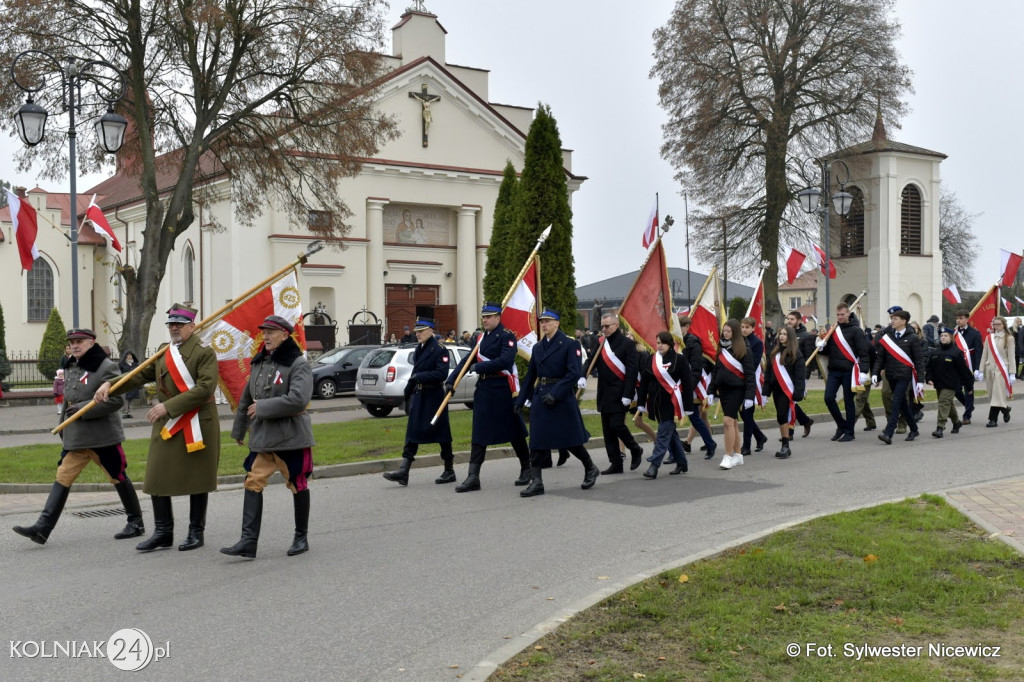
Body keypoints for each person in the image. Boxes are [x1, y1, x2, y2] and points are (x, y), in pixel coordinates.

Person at [95, 304, 220, 552]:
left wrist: (168, 406)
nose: (174, 328)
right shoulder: (165, 352)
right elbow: (139, 375)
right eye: (171, 324)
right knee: (155, 475)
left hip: (197, 420)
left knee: (198, 477)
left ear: (192, 326)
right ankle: (163, 531)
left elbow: (205, 388)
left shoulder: (204, 352)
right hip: (168, 422)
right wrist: (110, 385)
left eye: (179, 324)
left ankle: (196, 532)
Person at [13, 328, 144, 545]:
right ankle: (42, 529)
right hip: (76, 438)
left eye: (80, 341)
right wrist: (62, 426)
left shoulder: (105, 366)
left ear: (91, 343)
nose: (75, 345)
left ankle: (136, 522)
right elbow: (68, 400)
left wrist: (85, 408)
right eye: (72, 342)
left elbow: (117, 401)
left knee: (118, 476)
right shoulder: (72, 365)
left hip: (102, 438)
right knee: (62, 477)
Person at [222, 315, 314, 559]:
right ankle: (248, 542)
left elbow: (299, 399)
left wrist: (262, 407)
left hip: (291, 437)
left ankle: (301, 537)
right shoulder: (260, 362)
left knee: (297, 485)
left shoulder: (298, 363)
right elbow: (246, 398)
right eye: (264, 332)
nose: (266, 336)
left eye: (271, 332)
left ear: (285, 335)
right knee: (252, 482)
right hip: (263, 437)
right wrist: (240, 429)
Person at [446, 302, 532, 492]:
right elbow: (466, 361)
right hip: (484, 389)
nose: (484, 320)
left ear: (498, 317)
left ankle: (527, 467)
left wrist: (480, 367)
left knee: (514, 431)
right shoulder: (481, 338)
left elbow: (506, 360)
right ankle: (473, 476)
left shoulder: (507, 336)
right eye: (483, 317)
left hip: (502, 389)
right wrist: (452, 380)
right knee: (479, 433)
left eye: (488, 316)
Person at [514, 309, 599, 496]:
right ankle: (537, 482)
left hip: (560, 398)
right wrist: (521, 400)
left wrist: (556, 393)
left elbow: (573, 373)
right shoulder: (537, 347)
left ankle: (590, 467)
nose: (544, 324)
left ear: (557, 323)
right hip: (541, 397)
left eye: (548, 321)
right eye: (542, 321)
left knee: (569, 440)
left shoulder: (569, 344)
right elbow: (530, 377)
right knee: (536, 441)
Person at [383, 317, 456, 486]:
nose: (418, 334)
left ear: (431, 331)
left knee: (441, 433)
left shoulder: (440, 350)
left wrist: (419, 377)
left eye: (421, 331)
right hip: (420, 395)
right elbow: (415, 373)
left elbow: (441, 374)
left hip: (434, 396)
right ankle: (404, 471)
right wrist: (407, 392)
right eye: (417, 331)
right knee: (412, 432)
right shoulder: (419, 349)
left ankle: (449, 470)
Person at [636, 330, 694, 478]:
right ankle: (682, 462)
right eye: (658, 343)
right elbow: (644, 383)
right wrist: (641, 403)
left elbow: (687, 384)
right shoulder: (651, 359)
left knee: (662, 434)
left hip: (672, 403)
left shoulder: (679, 360)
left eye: (663, 343)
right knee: (671, 434)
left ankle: (654, 465)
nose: (660, 346)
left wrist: (688, 406)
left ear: (670, 344)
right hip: (656, 403)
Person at [594, 312, 645, 474]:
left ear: (616, 325)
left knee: (617, 425)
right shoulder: (601, 343)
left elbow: (631, 371)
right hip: (604, 391)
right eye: (602, 326)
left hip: (620, 392)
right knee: (607, 430)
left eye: (607, 326)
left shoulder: (627, 344)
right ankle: (616, 463)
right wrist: (582, 375)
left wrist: (628, 394)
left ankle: (635, 448)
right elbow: (591, 361)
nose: (604, 329)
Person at [815, 303, 869, 442]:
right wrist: (821, 347)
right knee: (828, 398)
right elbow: (828, 351)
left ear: (848, 314)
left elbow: (864, 352)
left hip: (849, 371)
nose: (839, 317)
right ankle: (841, 425)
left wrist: (864, 371)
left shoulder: (856, 331)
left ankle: (849, 432)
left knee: (848, 402)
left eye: (842, 314)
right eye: (838, 315)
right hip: (834, 370)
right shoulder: (834, 330)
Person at [708, 319, 756, 470]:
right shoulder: (721, 348)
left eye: (729, 331)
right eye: (724, 331)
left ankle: (727, 455)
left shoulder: (744, 349)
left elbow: (750, 375)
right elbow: (716, 371)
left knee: (727, 421)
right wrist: (711, 390)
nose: (726, 334)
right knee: (733, 422)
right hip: (723, 389)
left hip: (737, 389)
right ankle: (738, 455)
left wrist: (749, 396)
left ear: (735, 333)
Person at [872, 309, 925, 444]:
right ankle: (914, 428)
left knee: (896, 401)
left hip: (904, 376)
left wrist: (920, 380)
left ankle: (889, 433)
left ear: (903, 321)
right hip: (891, 375)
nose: (892, 321)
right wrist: (875, 373)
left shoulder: (912, 338)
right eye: (892, 319)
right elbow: (880, 358)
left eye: (895, 319)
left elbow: (919, 360)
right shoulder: (888, 336)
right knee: (903, 404)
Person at [762, 325, 806, 459]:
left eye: (785, 334)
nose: (781, 336)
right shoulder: (774, 353)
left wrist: (798, 392)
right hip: (777, 390)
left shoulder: (796, 354)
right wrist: (765, 392)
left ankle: (785, 445)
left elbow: (800, 376)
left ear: (790, 337)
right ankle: (785, 443)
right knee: (780, 417)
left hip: (788, 391)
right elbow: (769, 374)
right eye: (780, 334)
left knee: (783, 415)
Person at [678, 315, 717, 460]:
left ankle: (710, 443)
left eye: (680, 326)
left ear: (687, 327)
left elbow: (696, 369)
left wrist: (688, 388)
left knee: (695, 417)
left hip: (690, 385)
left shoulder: (693, 342)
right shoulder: (674, 341)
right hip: (675, 385)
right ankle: (673, 452)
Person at [926, 326, 972, 438]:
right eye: (941, 336)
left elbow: (964, 371)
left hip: (951, 384)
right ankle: (956, 422)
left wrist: (969, 386)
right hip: (939, 383)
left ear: (951, 338)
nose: (943, 338)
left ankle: (940, 427)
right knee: (948, 404)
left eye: (946, 336)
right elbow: (929, 367)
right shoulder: (936, 351)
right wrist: (929, 378)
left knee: (943, 402)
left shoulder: (956, 352)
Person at [739, 317, 769, 455]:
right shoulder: (738, 340)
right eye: (742, 327)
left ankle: (746, 446)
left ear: (753, 328)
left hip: (751, 380)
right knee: (744, 414)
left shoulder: (756, 343)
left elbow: (754, 363)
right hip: (738, 379)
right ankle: (760, 437)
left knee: (747, 412)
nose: (744, 329)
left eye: (747, 327)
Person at [980, 316, 1017, 427]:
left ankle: (992, 420)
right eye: (994, 324)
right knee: (992, 395)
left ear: (1004, 325)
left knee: (997, 395)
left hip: (1002, 370)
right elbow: (984, 355)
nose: (996, 327)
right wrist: (981, 370)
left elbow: (1011, 357)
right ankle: (1005, 409)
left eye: (998, 324)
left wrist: (1012, 373)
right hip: (990, 369)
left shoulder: (1009, 338)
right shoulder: (989, 338)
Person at [784, 311, 815, 437]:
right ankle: (805, 421)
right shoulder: (785, 334)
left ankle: (789, 433)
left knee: (791, 402)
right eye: (788, 319)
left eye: (792, 319)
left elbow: (809, 358)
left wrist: (805, 378)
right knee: (788, 402)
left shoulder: (806, 336)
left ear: (799, 321)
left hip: (798, 375)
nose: (789, 321)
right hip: (786, 375)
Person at [953, 308, 983, 425]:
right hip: (957, 366)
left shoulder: (975, 333)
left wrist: (976, 368)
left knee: (969, 390)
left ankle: (967, 415)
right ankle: (968, 406)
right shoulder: (955, 333)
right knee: (956, 389)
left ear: (967, 319)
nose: (958, 321)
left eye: (961, 318)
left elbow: (978, 351)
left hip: (969, 365)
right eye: (957, 318)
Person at [118, 351, 141, 419]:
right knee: (125, 398)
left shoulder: (135, 364)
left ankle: (129, 412)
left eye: (130, 355)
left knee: (131, 398)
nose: (129, 357)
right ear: (125, 356)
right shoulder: (121, 364)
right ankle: (124, 413)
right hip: (125, 383)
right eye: (128, 355)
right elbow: (119, 373)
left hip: (133, 383)